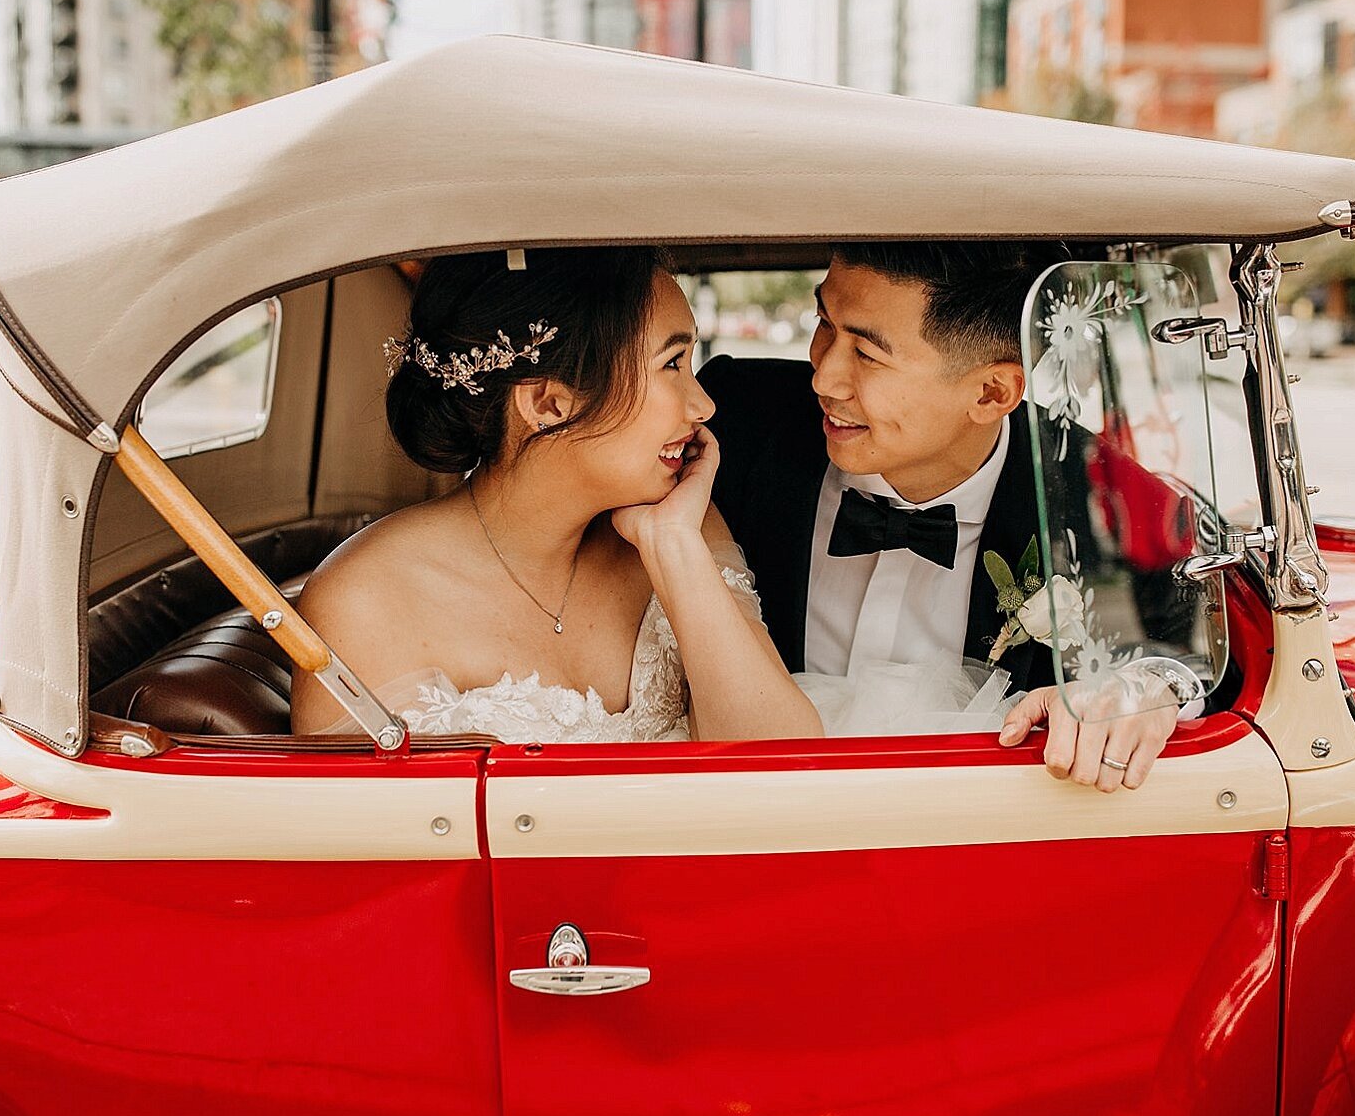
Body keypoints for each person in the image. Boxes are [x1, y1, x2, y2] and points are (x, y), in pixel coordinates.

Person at [699, 242, 1199, 794]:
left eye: (866, 354)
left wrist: (1151, 688)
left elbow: (1189, 649)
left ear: (990, 393)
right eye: (824, 323)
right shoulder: (732, 420)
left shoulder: (1086, 483)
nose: (824, 378)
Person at [291, 246, 822, 745]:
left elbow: (788, 770)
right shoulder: (366, 602)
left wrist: (673, 545)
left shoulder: (685, 524)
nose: (703, 405)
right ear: (548, 403)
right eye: (671, 364)